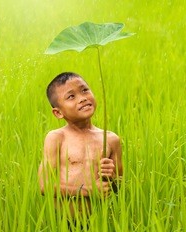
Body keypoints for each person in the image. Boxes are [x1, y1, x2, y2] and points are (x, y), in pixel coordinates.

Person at [38, 72, 123, 216]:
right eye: (71, 96)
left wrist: (111, 176)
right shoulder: (56, 138)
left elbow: (120, 184)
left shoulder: (111, 139)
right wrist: (89, 190)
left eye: (84, 90)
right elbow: (44, 186)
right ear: (58, 113)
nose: (82, 98)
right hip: (64, 223)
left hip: (100, 221)